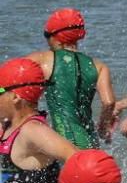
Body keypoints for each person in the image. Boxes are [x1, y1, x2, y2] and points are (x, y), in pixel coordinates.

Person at [25, 8, 115, 149]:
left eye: (46, 35)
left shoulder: (41, 59)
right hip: (92, 144)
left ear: (55, 37)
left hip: (64, 145)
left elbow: (10, 81)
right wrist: (103, 129)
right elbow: (109, 103)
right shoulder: (99, 66)